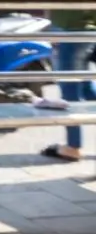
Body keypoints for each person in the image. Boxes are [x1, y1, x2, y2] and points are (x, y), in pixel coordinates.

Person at [41, 8, 96, 161]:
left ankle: (72, 147)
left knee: (69, 91)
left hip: (71, 29)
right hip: (86, 28)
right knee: (86, 88)